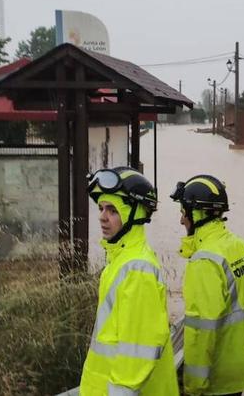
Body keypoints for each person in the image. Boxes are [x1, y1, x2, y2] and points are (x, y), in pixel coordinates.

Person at [80, 166, 179, 396]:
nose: (102, 216)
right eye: (101, 208)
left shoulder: (137, 270)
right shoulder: (121, 261)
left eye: (113, 210)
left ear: (135, 214)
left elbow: (137, 354)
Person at [169, 175, 244, 396]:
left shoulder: (204, 261)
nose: (181, 220)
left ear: (196, 214)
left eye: (183, 212)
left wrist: (193, 387)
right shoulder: (241, 246)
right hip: (240, 368)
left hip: (216, 378)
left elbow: (201, 329)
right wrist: (242, 340)